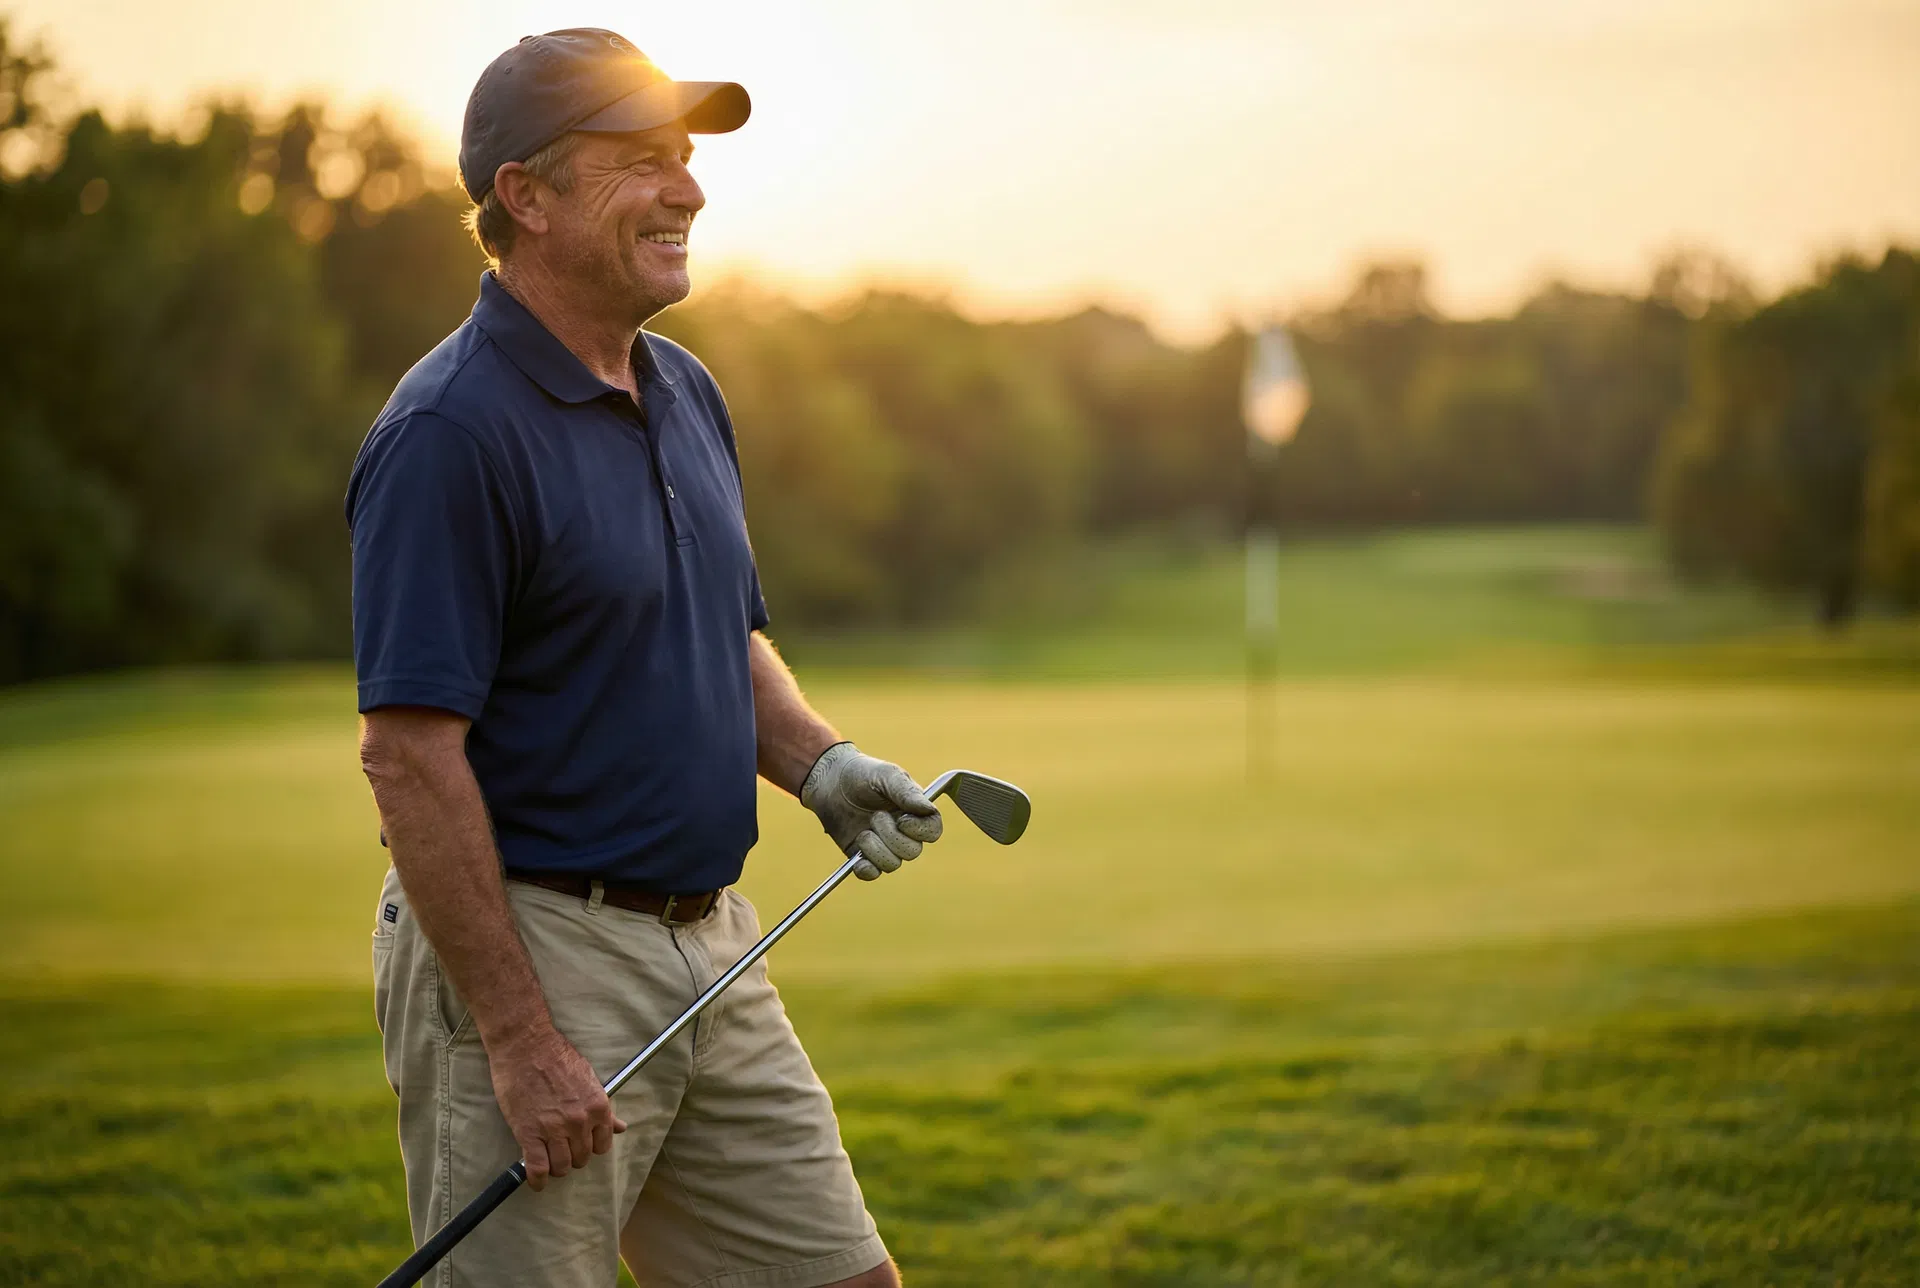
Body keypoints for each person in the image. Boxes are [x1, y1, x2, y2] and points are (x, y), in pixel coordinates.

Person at [345, 29, 938, 1288]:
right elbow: (407, 755)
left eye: (687, 159)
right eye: (640, 163)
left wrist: (820, 765)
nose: (690, 192)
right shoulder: (450, 430)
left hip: (714, 948)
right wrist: (518, 1037)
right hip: (538, 954)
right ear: (526, 194)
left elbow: (720, 635)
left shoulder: (682, 389)